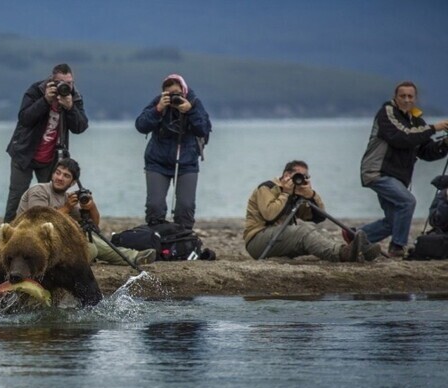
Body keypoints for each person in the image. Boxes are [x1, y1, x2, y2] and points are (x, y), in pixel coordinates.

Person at [357, 81, 448, 257]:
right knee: (407, 202)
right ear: (395, 97)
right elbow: (401, 137)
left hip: (397, 177)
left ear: (415, 99)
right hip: (377, 172)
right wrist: (433, 128)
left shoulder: (416, 121)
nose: (406, 100)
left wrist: (444, 144)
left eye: (410, 96)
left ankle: (356, 237)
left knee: (393, 222)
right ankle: (397, 248)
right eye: (402, 96)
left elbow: (426, 151)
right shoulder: (387, 112)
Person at [17, 157, 156, 266]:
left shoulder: (68, 198)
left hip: (54, 242)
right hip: (33, 242)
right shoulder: (39, 191)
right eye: (57, 173)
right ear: (52, 174)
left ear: (72, 182)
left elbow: (93, 227)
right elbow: (37, 223)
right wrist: (66, 208)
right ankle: (131, 257)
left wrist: (91, 207)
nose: (59, 178)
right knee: (91, 249)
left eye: (66, 176)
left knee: (91, 240)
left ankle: (135, 257)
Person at [244, 160, 381, 262]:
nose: (301, 179)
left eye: (305, 176)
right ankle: (343, 254)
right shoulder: (267, 188)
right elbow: (270, 215)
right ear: (286, 174)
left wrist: (311, 195)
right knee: (304, 231)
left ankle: (359, 252)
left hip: (279, 239)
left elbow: (318, 217)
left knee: (315, 232)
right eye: (298, 175)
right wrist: (285, 193)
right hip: (258, 241)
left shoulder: (297, 192)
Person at [3, 63, 89, 222]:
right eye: (61, 82)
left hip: (51, 157)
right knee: (16, 197)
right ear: (52, 80)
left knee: (51, 198)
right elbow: (24, 119)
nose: (66, 86)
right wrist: (45, 101)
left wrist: (70, 108)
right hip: (24, 153)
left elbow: (80, 127)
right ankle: (7, 234)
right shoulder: (37, 90)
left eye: (70, 83)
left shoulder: (74, 97)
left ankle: (45, 233)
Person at [135, 74, 212, 230]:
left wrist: (190, 111)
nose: (174, 97)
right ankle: (157, 234)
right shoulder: (159, 103)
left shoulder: (194, 102)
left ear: (184, 91)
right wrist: (158, 109)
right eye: (170, 94)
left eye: (177, 93)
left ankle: (183, 237)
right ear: (164, 93)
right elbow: (141, 125)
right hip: (157, 161)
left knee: (185, 206)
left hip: (187, 162)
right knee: (154, 206)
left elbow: (204, 129)